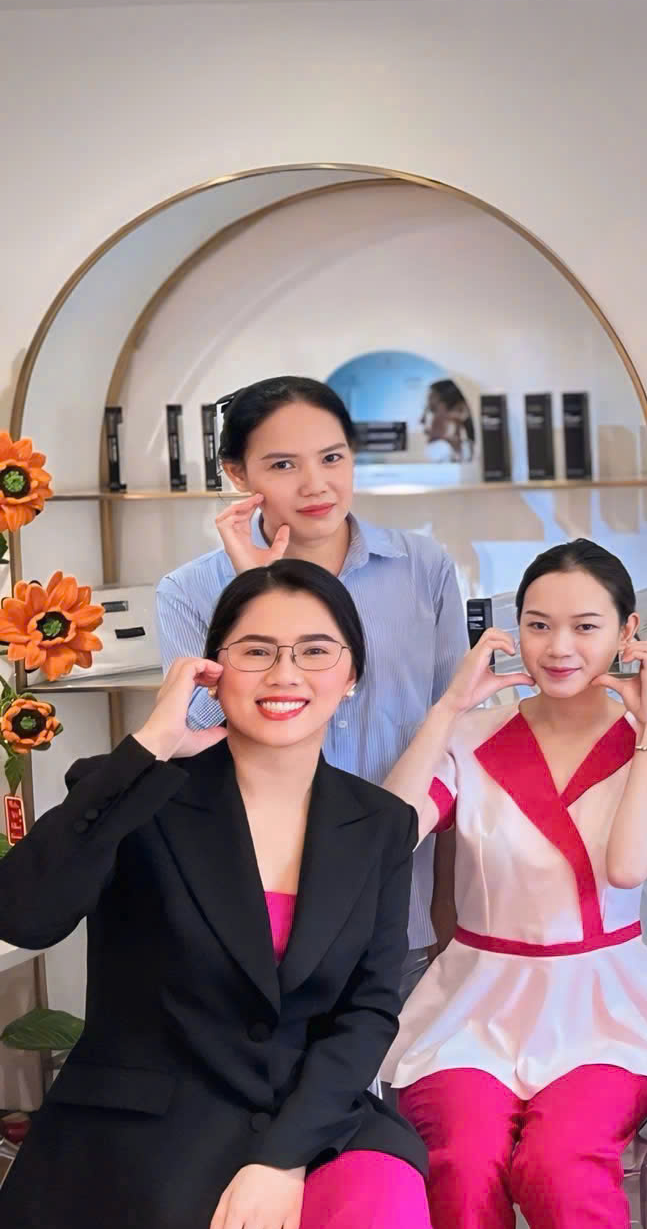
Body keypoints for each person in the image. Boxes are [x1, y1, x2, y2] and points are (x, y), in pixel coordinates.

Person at [0, 562, 480, 1229]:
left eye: (314, 650)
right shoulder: (137, 792)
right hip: (147, 1132)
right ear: (213, 667)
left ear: (351, 674)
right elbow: (26, 915)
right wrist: (147, 748)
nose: (285, 673)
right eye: (256, 650)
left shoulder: (378, 824)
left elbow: (369, 1009)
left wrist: (281, 1160)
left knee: (382, 1204)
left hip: (309, 1123)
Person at [381, 541, 647, 1229]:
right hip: (474, 1004)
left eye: (586, 627)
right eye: (539, 625)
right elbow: (389, 832)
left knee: (561, 1160)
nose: (559, 648)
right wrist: (450, 704)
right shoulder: (471, 738)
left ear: (627, 633)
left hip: (604, 1007)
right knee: (464, 1157)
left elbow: (630, 865)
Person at [158, 376, 467, 992]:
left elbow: (454, 739)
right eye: (282, 465)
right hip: (254, 914)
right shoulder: (190, 591)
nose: (316, 485)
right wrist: (255, 592)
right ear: (237, 474)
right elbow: (201, 738)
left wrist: (450, 902)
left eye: (332, 457)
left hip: (398, 902)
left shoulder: (422, 569)